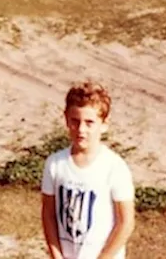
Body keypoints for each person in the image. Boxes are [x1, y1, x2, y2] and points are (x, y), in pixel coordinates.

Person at [40, 80, 136, 259]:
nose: (81, 130)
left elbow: (125, 222)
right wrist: (56, 255)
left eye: (89, 122)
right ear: (66, 119)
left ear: (104, 124)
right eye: (75, 121)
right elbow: (48, 214)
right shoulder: (55, 164)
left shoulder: (114, 167)